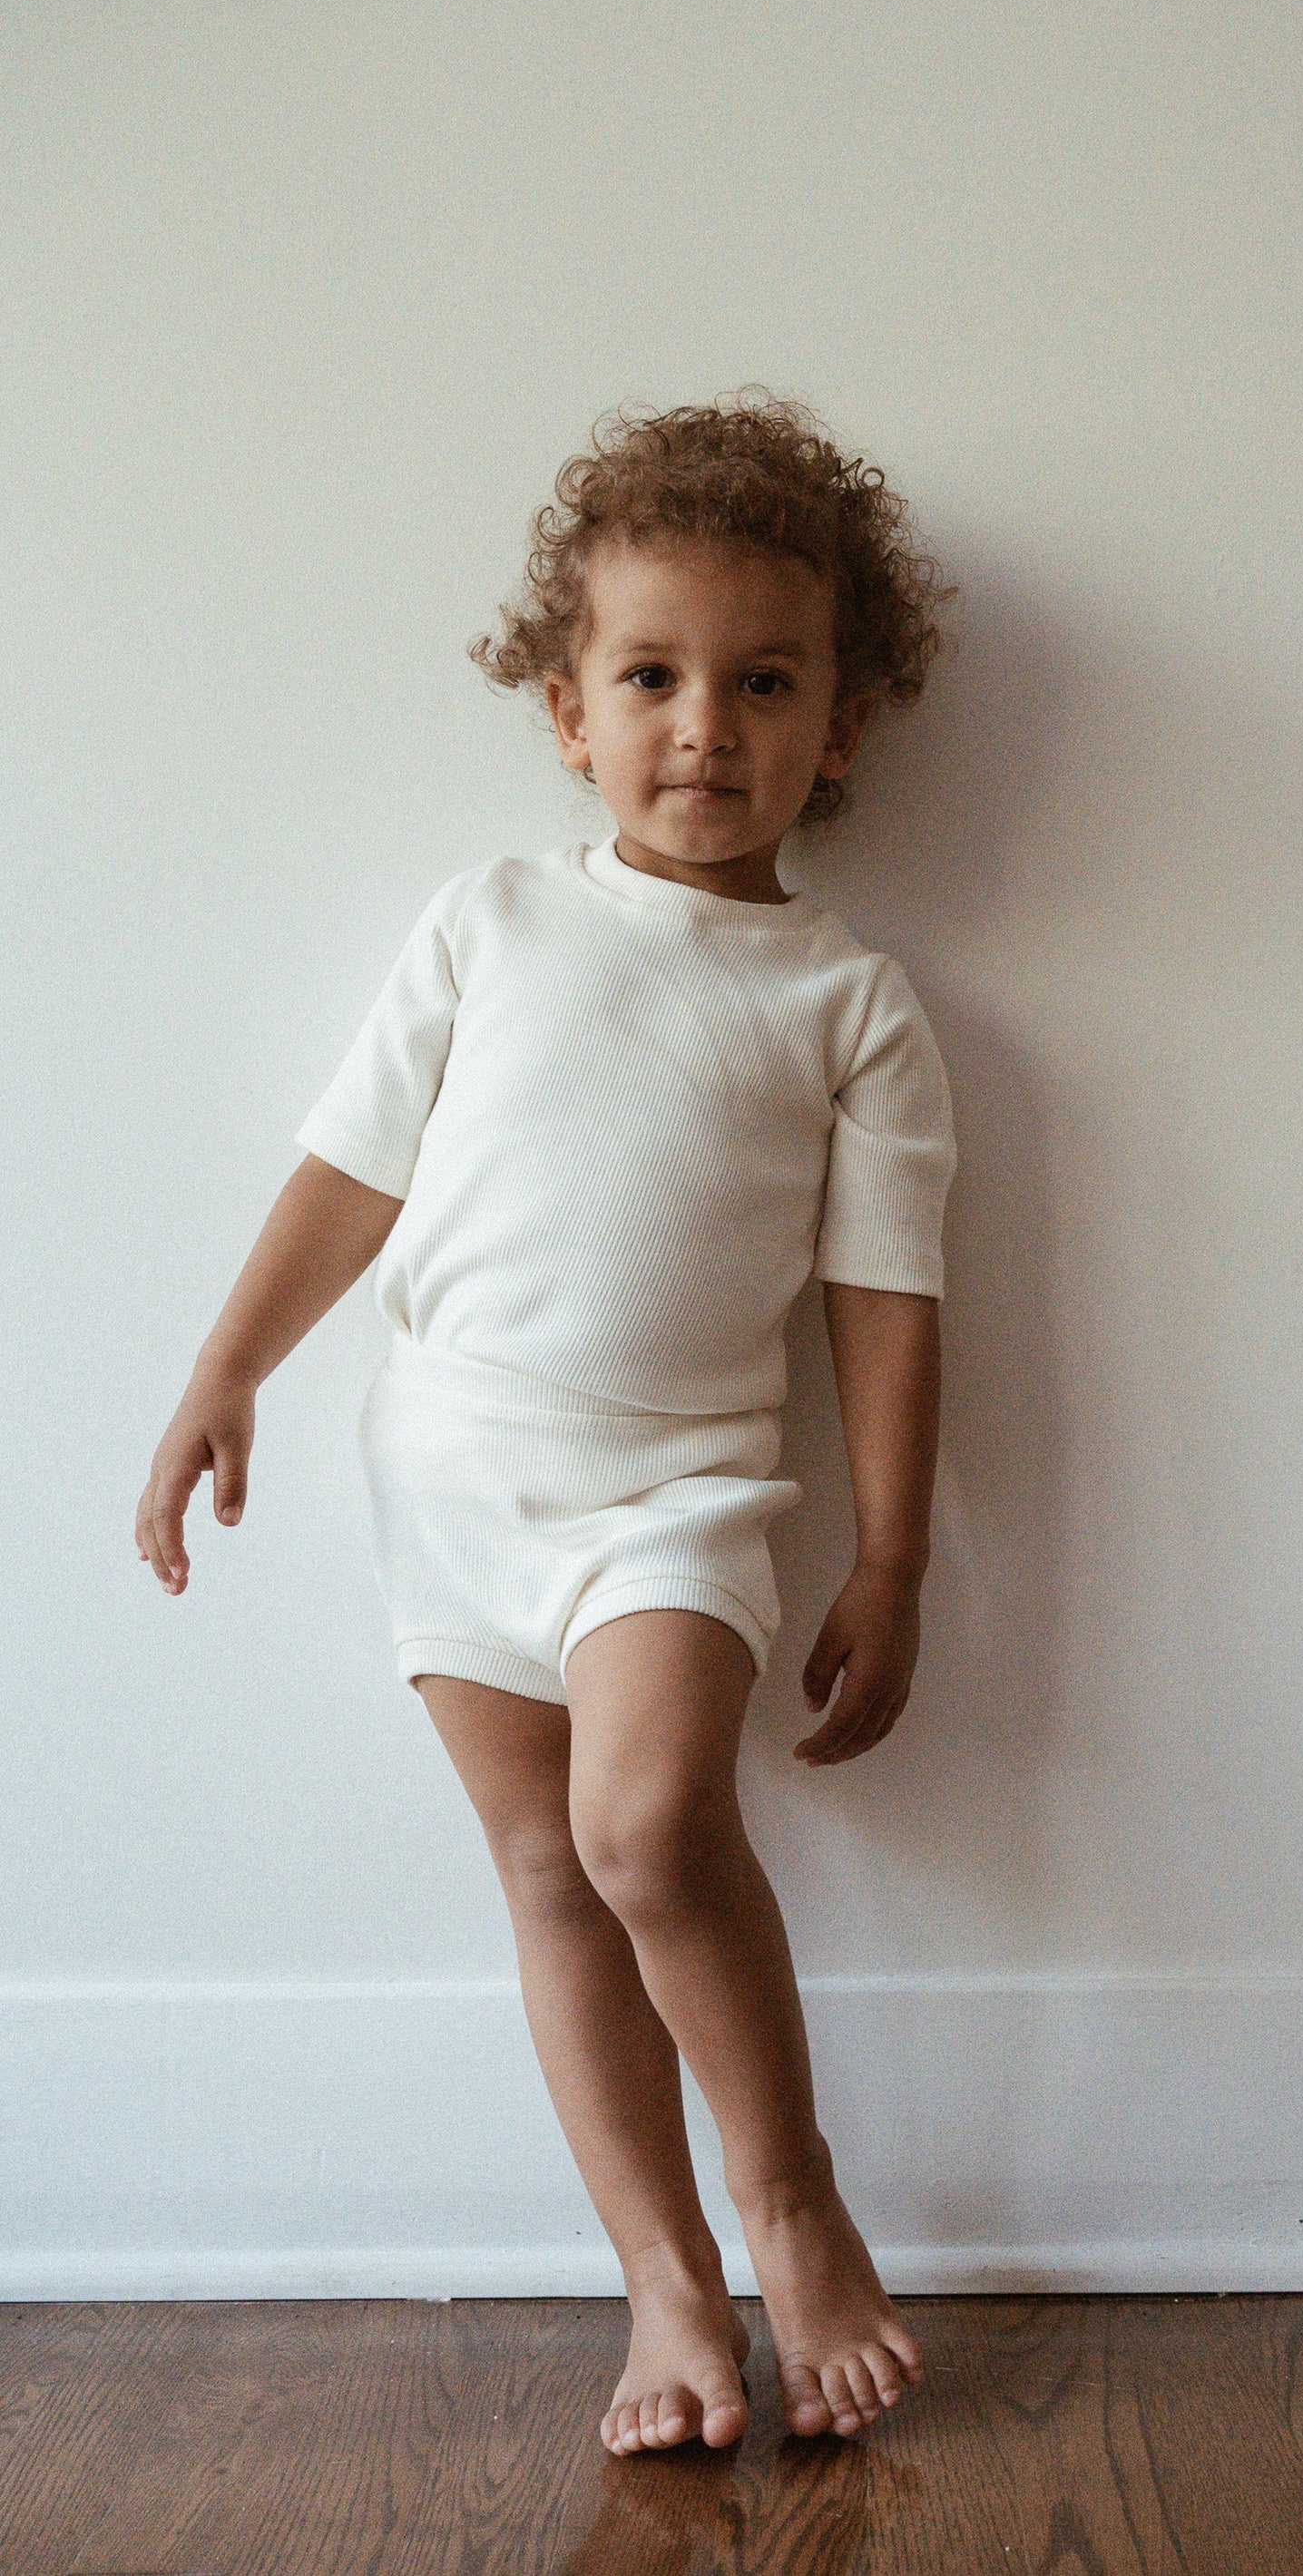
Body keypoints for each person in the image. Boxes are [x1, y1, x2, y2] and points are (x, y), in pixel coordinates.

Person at [134, 391, 958, 2456]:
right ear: (567, 709)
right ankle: (662, 2275)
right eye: (651, 675)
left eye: (764, 682)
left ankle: (791, 2202)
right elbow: (352, 1168)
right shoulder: (486, 920)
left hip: (677, 1488)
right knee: (543, 1864)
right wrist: (229, 1361)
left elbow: (885, 1296)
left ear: (841, 721)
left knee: (650, 1825)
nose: (705, 723)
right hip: (447, 1465)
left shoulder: (847, 1001)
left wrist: (890, 1547)